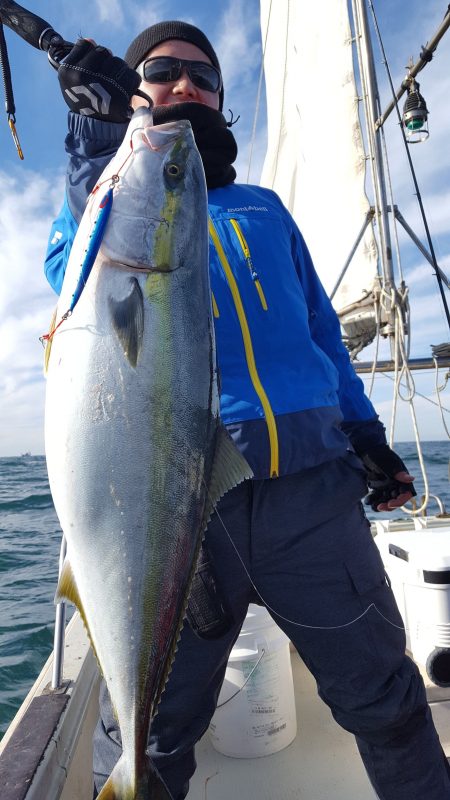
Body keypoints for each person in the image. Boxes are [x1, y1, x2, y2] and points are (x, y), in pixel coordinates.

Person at [44, 21, 450, 800]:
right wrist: (95, 146)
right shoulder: (98, 204)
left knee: (387, 700)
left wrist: (367, 436)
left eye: (205, 77)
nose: (186, 85)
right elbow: (76, 277)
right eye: (163, 70)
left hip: (314, 494)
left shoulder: (264, 209)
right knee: (155, 736)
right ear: (132, 92)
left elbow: (322, 335)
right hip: (186, 507)